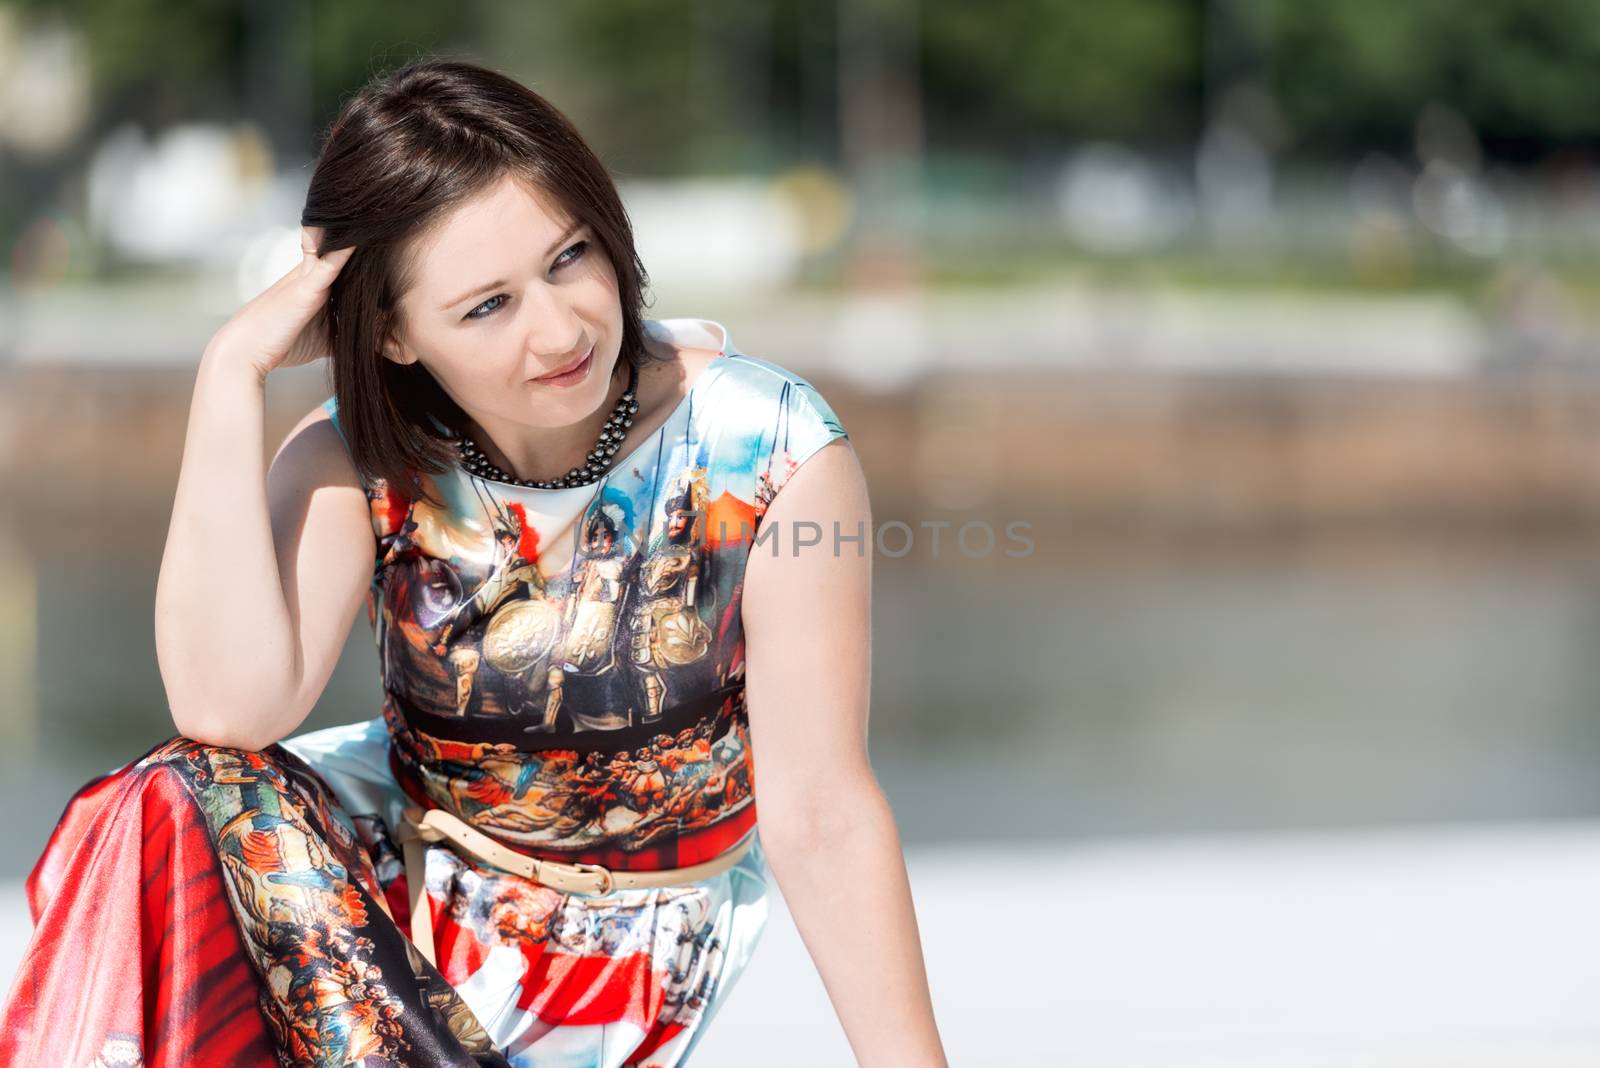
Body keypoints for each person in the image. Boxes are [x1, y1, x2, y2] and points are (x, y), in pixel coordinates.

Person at [0, 59, 948, 1067]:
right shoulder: (359, 458)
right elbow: (227, 713)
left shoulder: (764, 447)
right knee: (171, 796)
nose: (559, 328)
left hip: (626, 942)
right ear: (393, 335)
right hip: (380, 915)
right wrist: (227, 374)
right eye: (486, 306)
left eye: (569, 257)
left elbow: (821, 811)